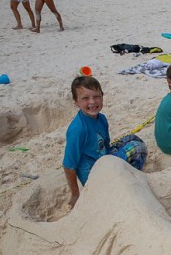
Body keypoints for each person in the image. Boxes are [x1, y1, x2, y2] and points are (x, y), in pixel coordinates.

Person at [63, 77, 147, 208]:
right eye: (85, 98)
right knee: (137, 148)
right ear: (76, 102)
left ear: (102, 96)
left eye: (96, 96)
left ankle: (125, 175)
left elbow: (106, 145)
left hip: (104, 159)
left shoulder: (101, 118)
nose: (92, 102)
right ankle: (125, 180)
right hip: (94, 174)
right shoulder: (78, 129)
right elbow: (68, 165)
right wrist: (75, 194)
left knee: (133, 138)